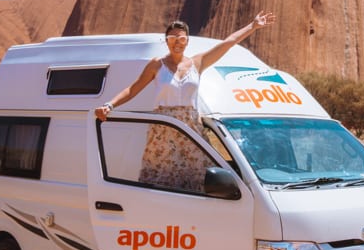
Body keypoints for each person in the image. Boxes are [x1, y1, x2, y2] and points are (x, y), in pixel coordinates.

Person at [95, 11, 276, 189]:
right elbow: (133, 89)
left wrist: (253, 26)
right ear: (166, 41)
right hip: (163, 129)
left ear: (187, 41)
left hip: (191, 129)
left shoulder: (198, 62)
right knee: (161, 179)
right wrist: (109, 105)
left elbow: (228, 43)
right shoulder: (157, 65)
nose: (177, 42)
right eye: (172, 38)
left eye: (181, 38)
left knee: (198, 178)